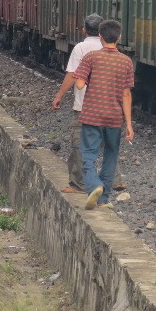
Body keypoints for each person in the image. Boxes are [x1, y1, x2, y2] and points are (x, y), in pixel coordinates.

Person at [52, 13, 126, 194]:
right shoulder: (114, 51)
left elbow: (72, 75)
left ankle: (79, 184)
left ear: (84, 29)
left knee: (80, 144)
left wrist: (59, 95)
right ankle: (114, 180)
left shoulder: (81, 48)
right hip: (109, 106)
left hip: (85, 106)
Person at [73, 19, 134, 210]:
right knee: (111, 155)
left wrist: (87, 79)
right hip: (114, 118)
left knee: (88, 154)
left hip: (92, 115)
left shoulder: (91, 57)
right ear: (119, 38)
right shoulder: (126, 61)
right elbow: (126, 93)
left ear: (100, 37)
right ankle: (103, 198)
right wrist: (129, 125)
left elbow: (80, 84)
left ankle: (94, 186)